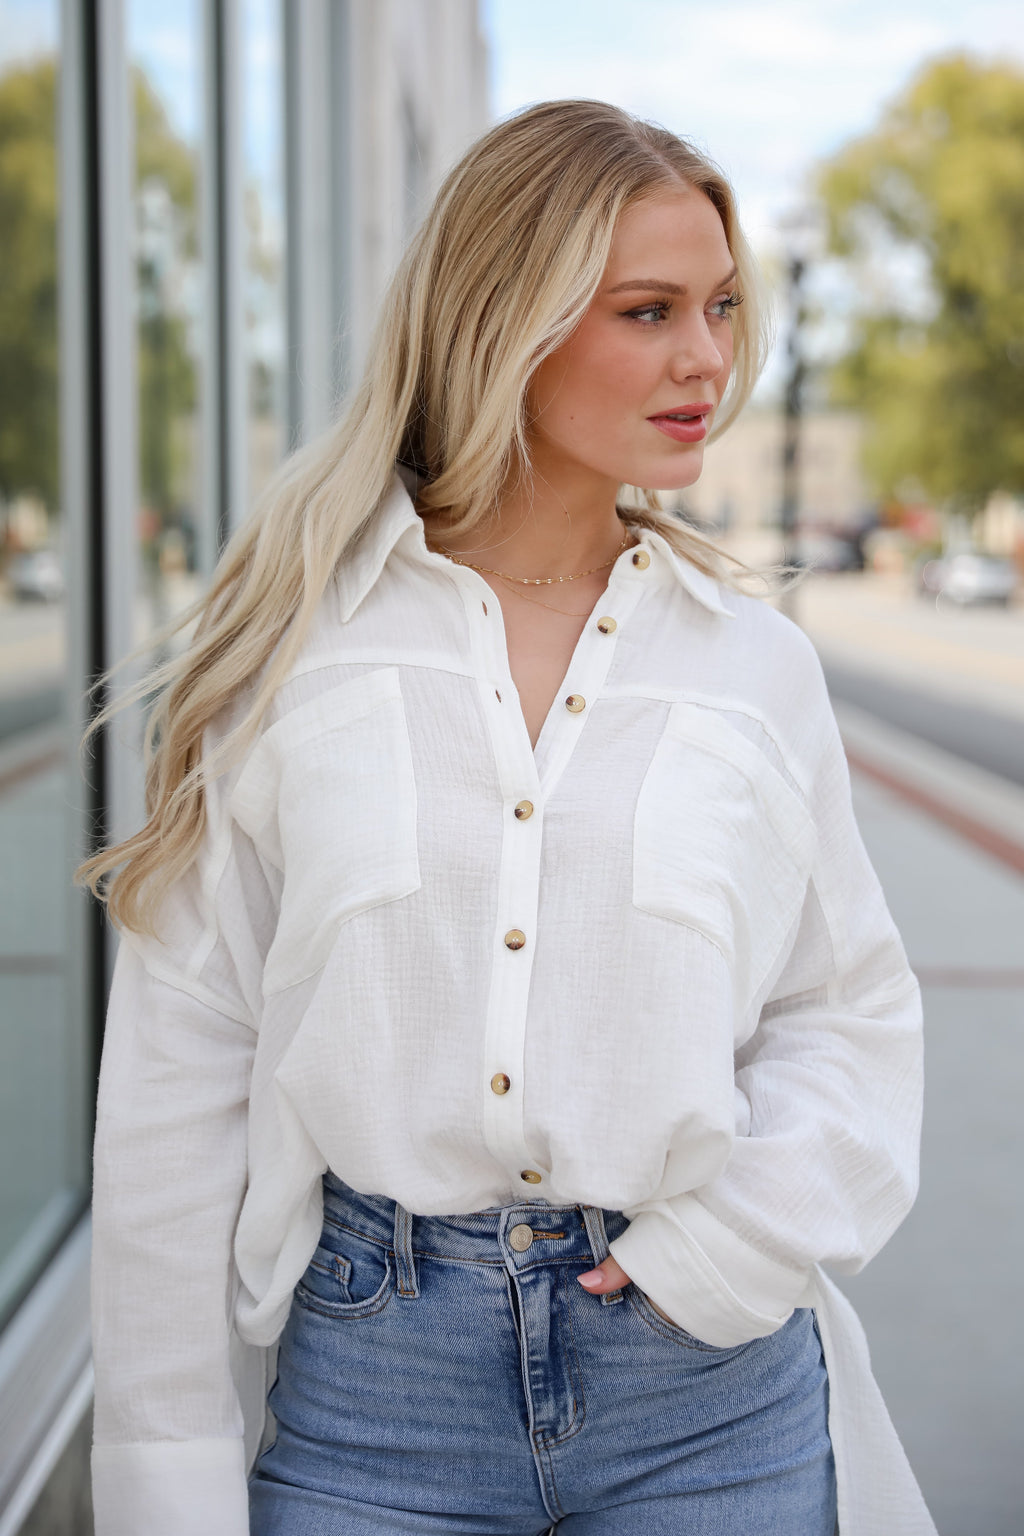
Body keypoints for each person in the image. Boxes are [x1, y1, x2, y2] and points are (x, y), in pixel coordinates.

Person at [82, 100, 937, 1535]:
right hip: (375, 1404)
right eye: (649, 311)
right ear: (507, 320)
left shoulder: (755, 666)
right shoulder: (302, 645)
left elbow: (845, 1014)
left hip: (708, 1400)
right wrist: (163, 1467)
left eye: (721, 307)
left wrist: (730, 1249)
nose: (708, 360)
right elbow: (182, 1070)